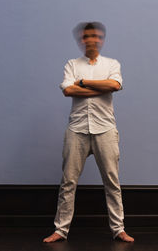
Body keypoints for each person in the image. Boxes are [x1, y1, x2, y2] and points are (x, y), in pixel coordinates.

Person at [43, 22, 134, 243]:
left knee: (112, 181)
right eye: (87, 36)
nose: (91, 39)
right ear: (81, 40)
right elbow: (68, 90)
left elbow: (114, 85)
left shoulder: (112, 63)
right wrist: (98, 86)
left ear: (101, 39)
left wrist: (83, 82)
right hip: (77, 130)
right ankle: (61, 230)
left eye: (95, 36)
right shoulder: (72, 64)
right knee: (68, 182)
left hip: (105, 130)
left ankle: (118, 229)